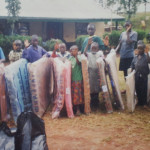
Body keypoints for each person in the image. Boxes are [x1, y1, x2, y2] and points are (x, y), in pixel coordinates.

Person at [84, 41, 104, 108]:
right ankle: (92, 101)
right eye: (92, 48)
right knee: (91, 87)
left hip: (97, 72)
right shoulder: (89, 54)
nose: (93, 49)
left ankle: (96, 101)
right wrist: (87, 44)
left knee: (97, 87)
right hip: (90, 72)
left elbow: (103, 59)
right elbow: (84, 53)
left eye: (95, 48)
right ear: (90, 48)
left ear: (98, 49)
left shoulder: (99, 54)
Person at [131, 40, 150, 107]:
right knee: (138, 88)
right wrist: (131, 73)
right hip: (137, 76)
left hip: (144, 76)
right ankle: (139, 101)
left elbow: (149, 61)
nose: (139, 50)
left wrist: (147, 53)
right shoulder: (135, 58)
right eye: (138, 48)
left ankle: (144, 102)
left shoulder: (146, 57)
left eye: (141, 49)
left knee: (144, 89)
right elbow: (132, 66)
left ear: (143, 50)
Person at [69, 45, 84, 115]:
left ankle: (78, 110)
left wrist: (76, 56)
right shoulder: (70, 58)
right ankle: (74, 109)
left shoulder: (79, 57)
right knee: (73, 95)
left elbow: (79, 63)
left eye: (75, 50)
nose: (74, 51)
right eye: (72, 50)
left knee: (78, 95)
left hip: (77, 79)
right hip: (71, 80)